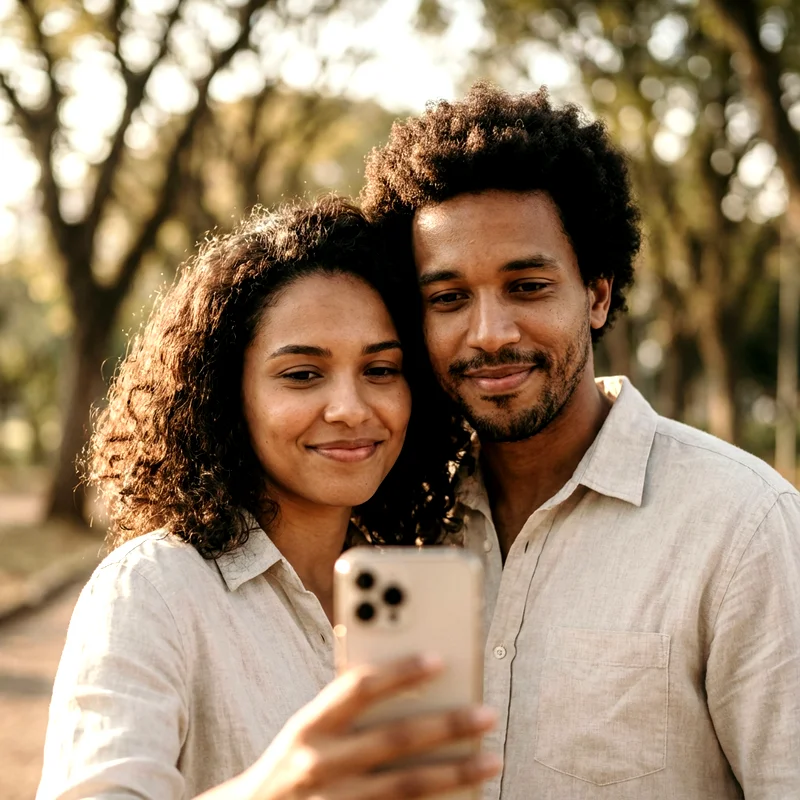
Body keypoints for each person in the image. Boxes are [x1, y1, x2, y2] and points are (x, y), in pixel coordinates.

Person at [360, 83, 800, 799]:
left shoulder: (743, 527)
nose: (490, 333)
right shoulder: (399, 526)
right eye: (448, 299)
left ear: (596, 293)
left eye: (527, 286)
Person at [37, 197, 501, 800]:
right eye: (303, 374)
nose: (351, 408)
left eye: (381, 370)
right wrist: (274, 789)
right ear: (230, 396)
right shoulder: (154, 589)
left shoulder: (412, 586)